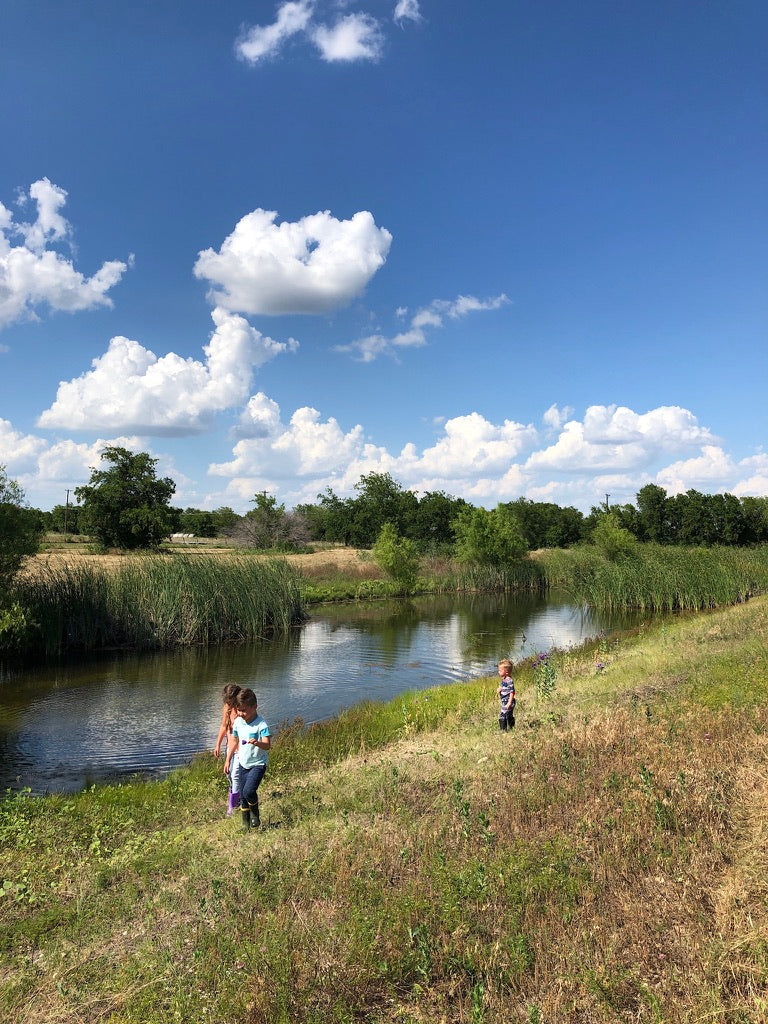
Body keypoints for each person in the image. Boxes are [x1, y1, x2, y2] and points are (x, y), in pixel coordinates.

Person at [225, 687, 270, 831]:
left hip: (258, 764)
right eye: (239, 710)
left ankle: (255, 815)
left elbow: (267, 745)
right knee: (243, 798)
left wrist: (257, 743)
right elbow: (234, 741)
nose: (241, 713)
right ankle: (245, 825)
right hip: (243, 764)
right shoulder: (238, 722)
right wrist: (228, 759)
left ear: (254, 707)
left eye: (244, 710)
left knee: (249, 791)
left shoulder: (261, 724)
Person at [214, 684, 242, 815]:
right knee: (229, 775)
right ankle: (237, 798)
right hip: (229, 746)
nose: (228, 703)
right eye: (226, 701)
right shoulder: (227, 708)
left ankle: (233, 807)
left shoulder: (243, 710)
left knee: (235, 775)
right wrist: (218, 745)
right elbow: (223, 726)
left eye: (230, 701)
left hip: (240, 748)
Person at [497, 658, 516, 730]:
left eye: (500, 671)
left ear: (506, 672)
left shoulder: (509, 680)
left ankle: (503, 730)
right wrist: (500, 688)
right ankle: (512, 728)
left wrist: (509, 703)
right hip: (505, 701)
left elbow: (512, 692)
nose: (498, 672)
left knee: (502, 714)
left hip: (508, 701)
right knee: (509, 715)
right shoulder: (504, 679)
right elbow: (503, 685)